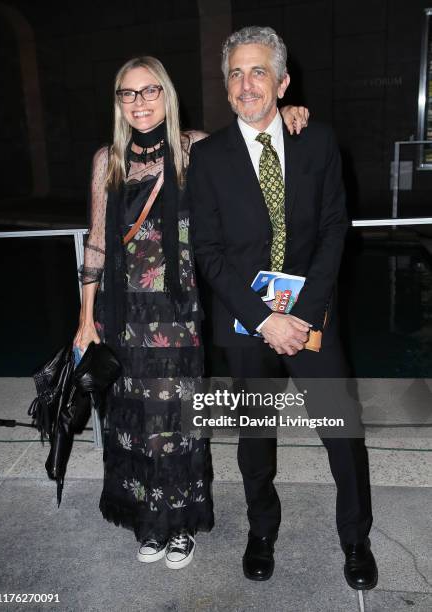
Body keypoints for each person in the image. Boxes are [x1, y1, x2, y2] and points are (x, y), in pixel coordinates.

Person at [74, 54, 308, 569]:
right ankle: (148, 521)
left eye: (149, 90)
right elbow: (95, 246)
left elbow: (253, 137)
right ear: (118, 102)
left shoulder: (194, 149)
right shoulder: (106, 161)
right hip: (122, 315)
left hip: (177, 313)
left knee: (175, 421)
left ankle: (179, 525)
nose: (139, 103)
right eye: (128, 94)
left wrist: (287, 116)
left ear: (167, 94)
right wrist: (85, 320)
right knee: (132, 422)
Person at [187, 26, 378, 589]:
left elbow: (332, 229)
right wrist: (266, 318)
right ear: (226, 86)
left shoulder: (317, 142)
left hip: (312, 318)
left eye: (259, 71)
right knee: (254, 437)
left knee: (342, 432)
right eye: (236, 74)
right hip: (246, 324)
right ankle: (261, 531)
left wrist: (304, 313)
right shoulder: (208, 157)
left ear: (283, 81)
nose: (247, 85)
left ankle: (356, 539)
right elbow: (208, 252)